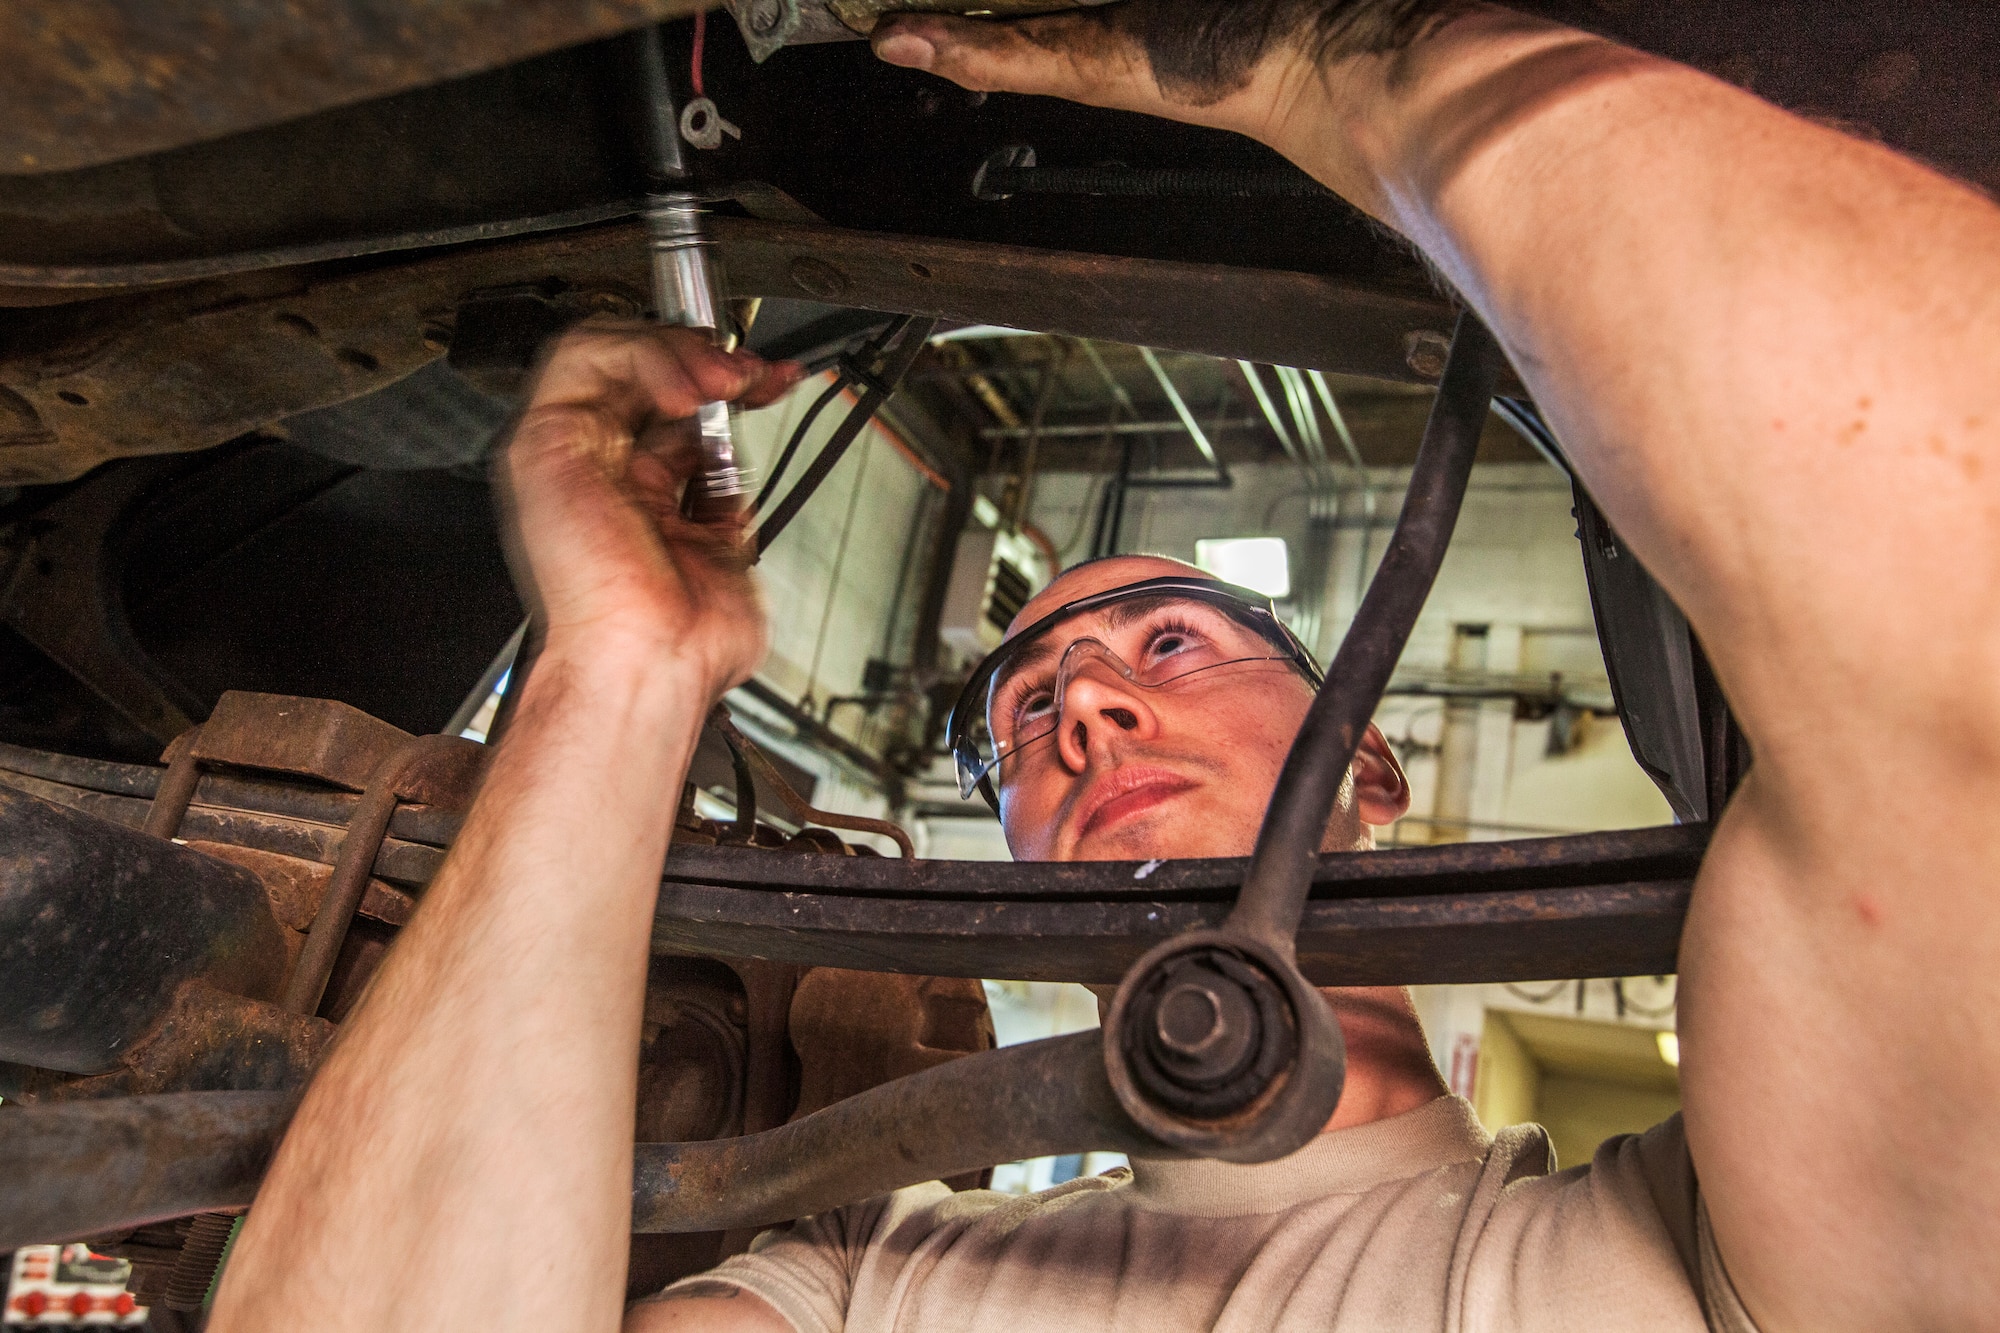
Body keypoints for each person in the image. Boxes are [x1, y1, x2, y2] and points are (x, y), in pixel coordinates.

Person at [208, 0, 2000, 1330]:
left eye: (1170, 641)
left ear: (1366, 768)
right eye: (1020, 723)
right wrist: (616, 671)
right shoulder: (864, 1284)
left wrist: (1335, 61)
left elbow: (1949, 580)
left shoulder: (1686, 1258)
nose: (1083, 708)